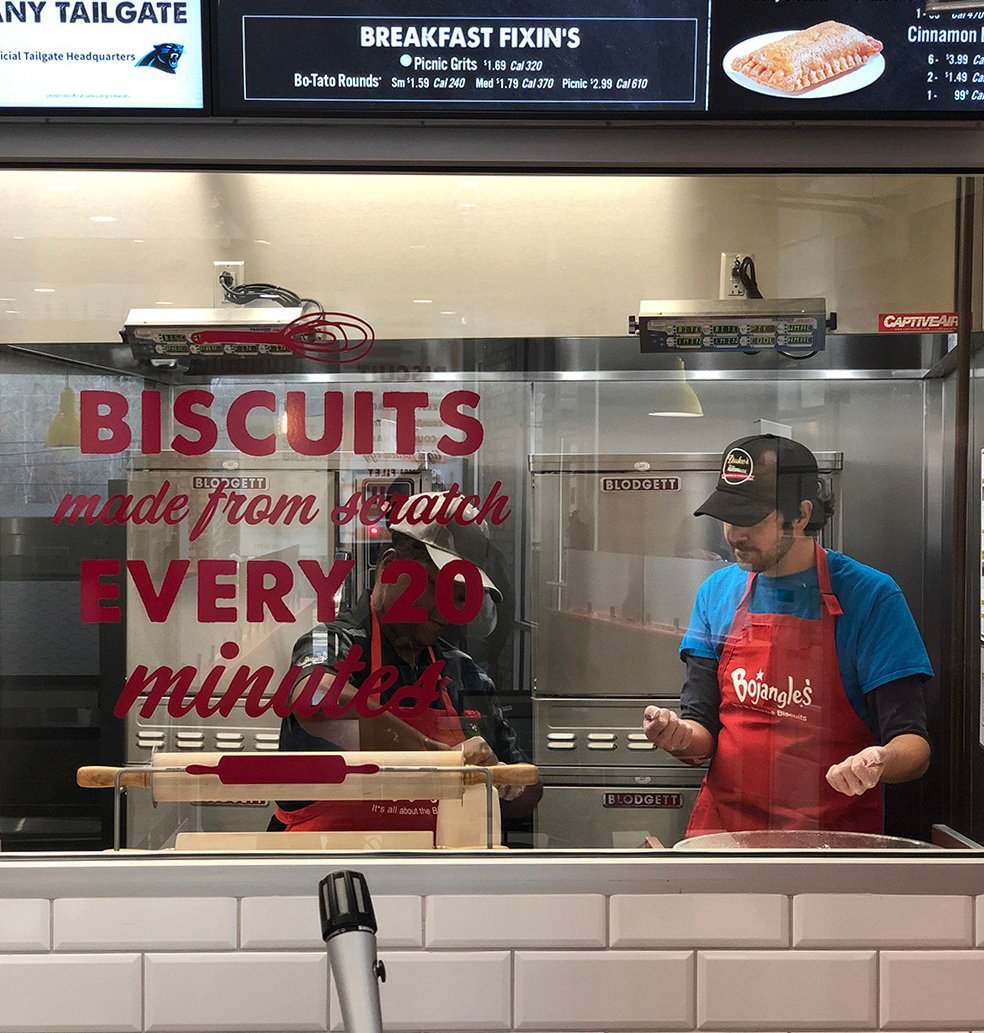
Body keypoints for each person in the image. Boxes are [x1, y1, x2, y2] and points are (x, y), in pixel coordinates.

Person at [642, 434, 932, 836]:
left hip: (832, 838)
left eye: (751, 519)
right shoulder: (717, 593)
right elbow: (702, 729)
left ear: (800, 515)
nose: (734, 535)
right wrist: (677, 737)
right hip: (726, 833)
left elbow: (913, 746)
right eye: (729, 517)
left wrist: (879, 760)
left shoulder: (871, 596)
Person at [270, 490, 541, 835]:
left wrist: (501, 781)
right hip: (328, 868)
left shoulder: (461, 671)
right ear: (390, 567)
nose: (446, 610)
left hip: (431, 873)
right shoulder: (331, 642)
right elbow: (317, 698)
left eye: (459, 596)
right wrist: (436, 758)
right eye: (435, 586)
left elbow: (529, 788)